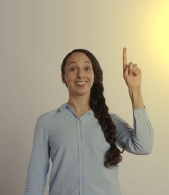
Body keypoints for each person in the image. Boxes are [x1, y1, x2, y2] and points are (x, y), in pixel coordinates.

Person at [24, 48, 154, 195]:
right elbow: (36, 177)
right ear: (63, 77)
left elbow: (144, 146)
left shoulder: (111, 121)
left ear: (94, 76)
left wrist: (135, 89)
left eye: (87, 68)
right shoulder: (46, 122)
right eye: (73, 69)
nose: (81, 74)